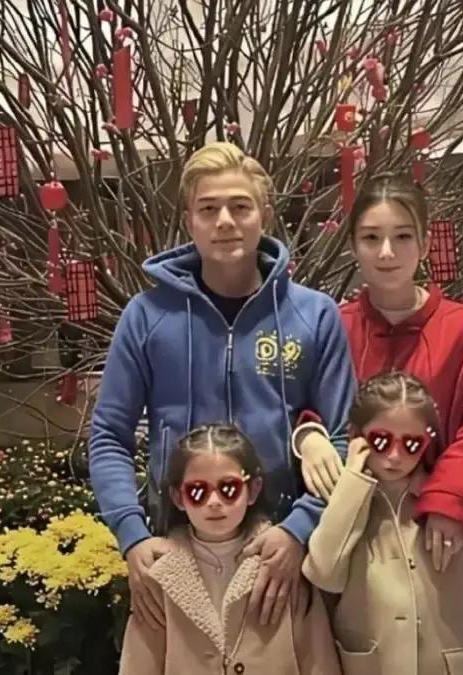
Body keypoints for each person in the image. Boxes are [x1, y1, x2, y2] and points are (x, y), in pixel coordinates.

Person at [89, 142, 356, 634]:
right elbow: (109, 435)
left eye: (240, 206)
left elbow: (343, 435)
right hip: (177, 549)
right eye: (209, 209)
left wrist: (300, 529)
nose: (225, 221)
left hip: (283, 552)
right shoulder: (147, 317)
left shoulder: (314, 315)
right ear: (189, 221)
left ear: (265, 216)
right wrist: (132, 534)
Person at [295, 174, 463, 573]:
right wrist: (308, 435)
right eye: (371, 238)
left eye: (402, 236)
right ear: (352, 245)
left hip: (441, 531)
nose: (387, 252)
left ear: (425, 243)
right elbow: (301, 401)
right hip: (349, 530)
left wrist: (450, 501)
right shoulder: (332, 327)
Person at [303, 372, 463, 675]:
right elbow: (324, 574)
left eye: (411, 444)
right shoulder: (344, 499)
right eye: (380, 441)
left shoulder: (454, 503)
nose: (395, 456)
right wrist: (352, 482)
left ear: (427, 442)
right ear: (356, 436)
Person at [120, 424, 341, 674]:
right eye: (197, 492)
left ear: (253, 490)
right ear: (178, 497)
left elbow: (317, 658)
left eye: (228, 489)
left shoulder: (282, 562)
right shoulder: (160, 573)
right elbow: (139, 663)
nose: (214, 502)